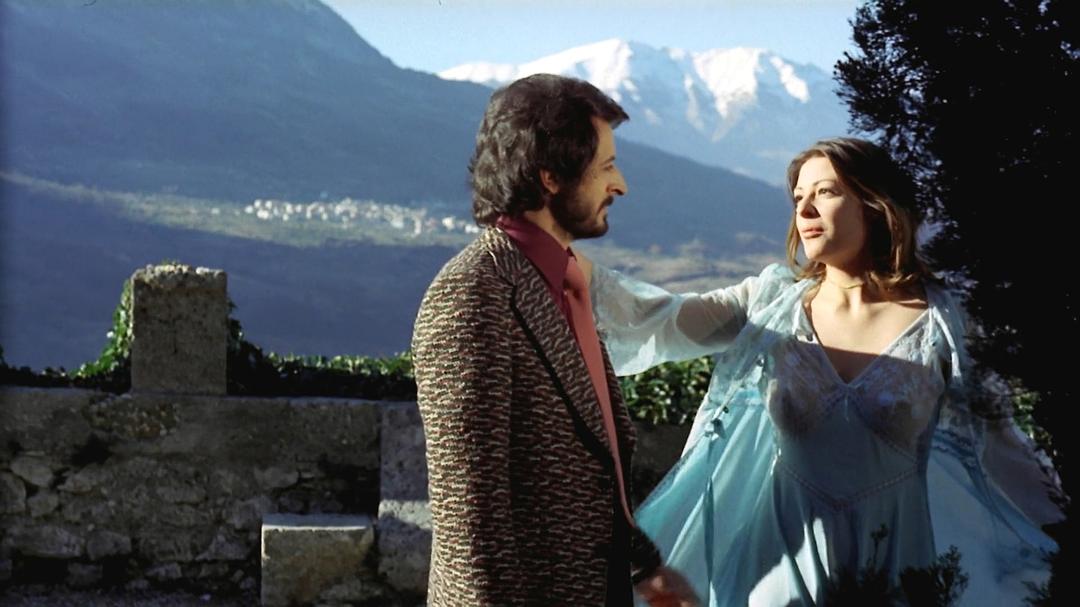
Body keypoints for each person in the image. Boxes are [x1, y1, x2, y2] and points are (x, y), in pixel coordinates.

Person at [579, 137, 1062, 605]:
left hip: (896, 567)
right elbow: (655, 321)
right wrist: (552, 254)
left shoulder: (945, 320)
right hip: (776, 571)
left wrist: (1062, 530)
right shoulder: (769, 305)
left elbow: (998, 443)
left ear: (876, 205)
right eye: (798, 198)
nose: (805, 210)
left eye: (825, 192)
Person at [411, 73, 699, 607]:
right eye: (606, 167)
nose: (620, 185)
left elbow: (591, 470)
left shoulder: (563, 283)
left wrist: (642, 569)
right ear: (549, 176)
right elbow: (470, 526)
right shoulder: (471, 294)